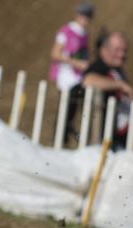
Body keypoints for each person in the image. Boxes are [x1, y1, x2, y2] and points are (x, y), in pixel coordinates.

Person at [82, 31, 133, 150]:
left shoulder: (117, 70)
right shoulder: (100, 66)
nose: (121, 54)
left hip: (118, 137)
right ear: (104, 50)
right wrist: (120, 85)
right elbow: (88, 80)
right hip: (102, 140)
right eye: (117, 50)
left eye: (124, 50)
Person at [50, 3, 93, 144]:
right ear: (77, 15)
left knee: (74, 111)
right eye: (83, 15)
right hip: (66, 77)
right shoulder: (66, 31)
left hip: (78, 78)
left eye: (88, 16)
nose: (85, 19)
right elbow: (55, 54)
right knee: (65, 111)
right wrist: (75, 63)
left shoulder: (84, 34)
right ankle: (58, 141)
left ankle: (68, 139)